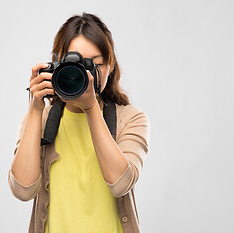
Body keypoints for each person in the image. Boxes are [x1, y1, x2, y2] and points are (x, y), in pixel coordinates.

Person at [8, 12, 150, 233]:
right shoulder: (38, 120)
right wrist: (35, 109)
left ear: (110, 67)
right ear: (56, 65)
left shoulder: (131, 119)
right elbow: (23, 191)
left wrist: (91, 108)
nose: (85, 74)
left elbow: (120, 184)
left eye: (94, 65)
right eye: (76, 64)